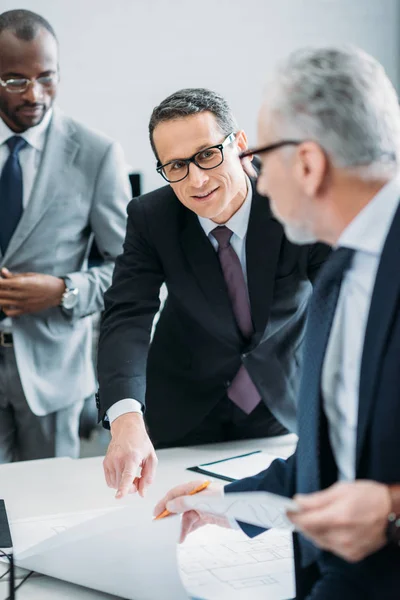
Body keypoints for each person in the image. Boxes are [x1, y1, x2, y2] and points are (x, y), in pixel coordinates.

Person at [155, 46, 400, 599]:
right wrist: (226, 502)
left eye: (260, 155)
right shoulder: (341, 270)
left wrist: (392, 510)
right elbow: (336, 455)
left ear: (308, 164)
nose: (256, 181)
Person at [97, 87, 330, 498]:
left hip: (280, 399)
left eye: (207, 154)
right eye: (176, 166)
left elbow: (342, 301)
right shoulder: (152, 217)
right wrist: (126, 418)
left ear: (240, 145)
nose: (196, 180)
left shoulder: (296, 201)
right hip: (181, 405)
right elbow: (127, 314)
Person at [0, 9, 130, 462]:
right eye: (15, 80)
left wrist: (63, 290)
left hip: (53, 373)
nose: (34, 94)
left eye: (47, 77)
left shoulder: (97, 153)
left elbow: (129, 269)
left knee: (44, 512)